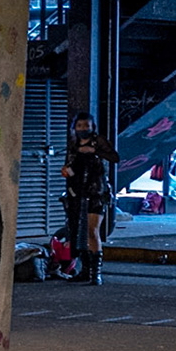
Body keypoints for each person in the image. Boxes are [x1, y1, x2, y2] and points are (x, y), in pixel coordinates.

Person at [60, 112, 118, 283]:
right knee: (79, 231)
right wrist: (66, 171)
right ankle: (84, 270)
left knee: (92, 230)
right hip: (77, 192)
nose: (83, 129)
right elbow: (70, 167)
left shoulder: (97, 142)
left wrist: (95, 151)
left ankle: (95, 274)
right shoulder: (73, 146)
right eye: (79, 126)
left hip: (96, 192)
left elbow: (114, 157)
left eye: (87, 126)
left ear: (92, 127)